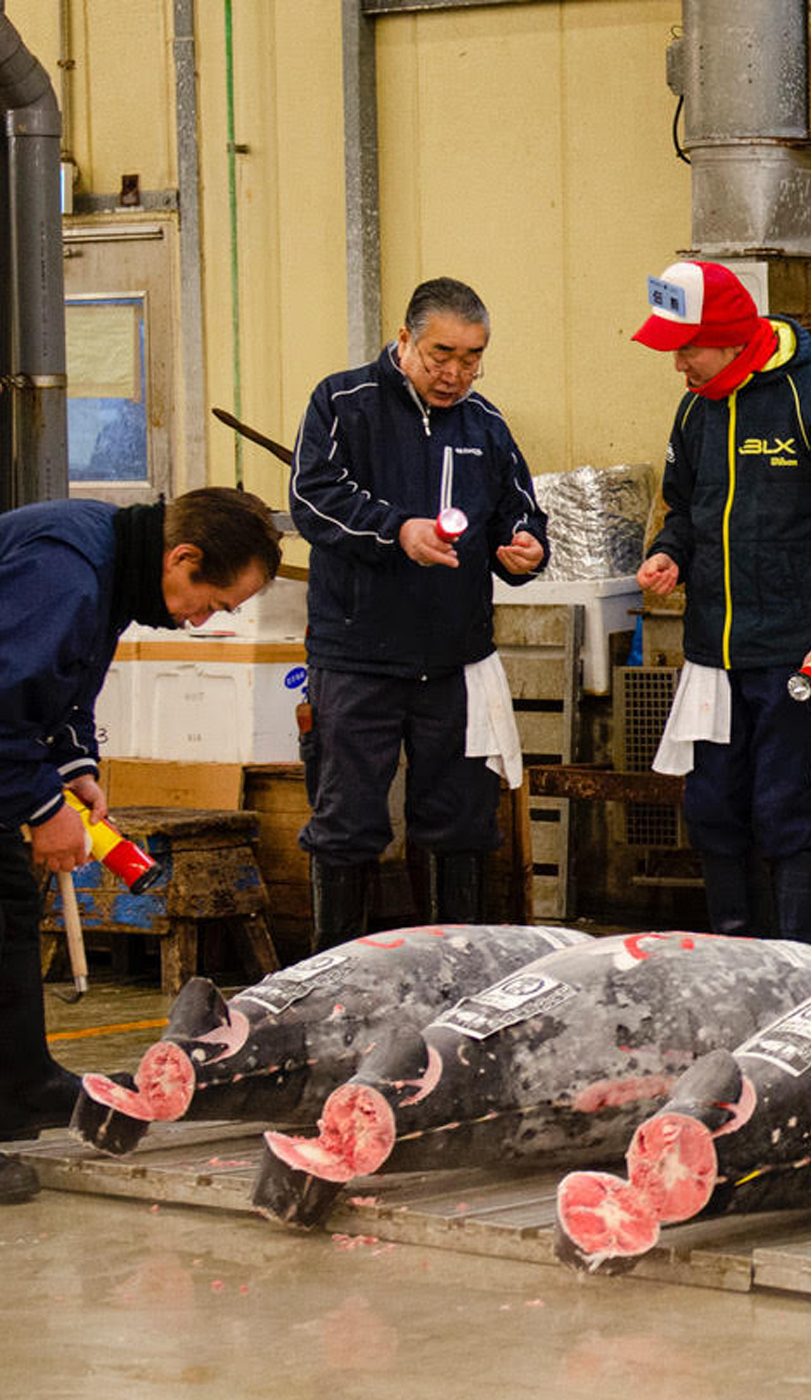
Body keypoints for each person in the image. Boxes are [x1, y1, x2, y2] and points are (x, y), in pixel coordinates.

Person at [0, 486, 282, 1203]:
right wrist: (43, 806)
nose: (205, 620)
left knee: (15, 907)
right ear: (181, 558)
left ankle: (22, 1086)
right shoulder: (66, 570)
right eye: (212, 601)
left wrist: (75, 763)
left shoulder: (114, 560)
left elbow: (61, 680)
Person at [633, 260, 811, 946]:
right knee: (714, 809)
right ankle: (736, 960)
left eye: (688, 348)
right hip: (712, 657)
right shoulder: (696, 409)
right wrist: (670, 552)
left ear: (729, 337)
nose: (679, 364)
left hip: (795, 653)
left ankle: (796, 967)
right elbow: (685, 509)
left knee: (788, 811)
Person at [290, 277, 549, 948]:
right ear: (404, 339)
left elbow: (520, 507)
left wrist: (526, 547)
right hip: (356, 661)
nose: (456, 374)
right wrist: (397, 531)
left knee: (460, 823)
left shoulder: (485, 424)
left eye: (472, 358)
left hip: (455, 665)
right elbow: (313, 499)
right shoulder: (342, 404)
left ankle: (450, 976)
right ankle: (335, 979)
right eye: (442, 355)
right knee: (347, 822)